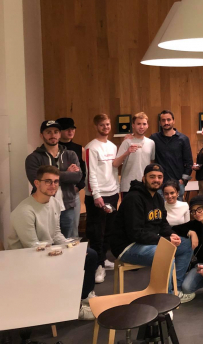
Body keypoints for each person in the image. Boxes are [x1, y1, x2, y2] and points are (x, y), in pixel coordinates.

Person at [7, 165, 99, 320]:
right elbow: (32, 247)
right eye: (48, 181)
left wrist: (72, 248)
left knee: (89, 255)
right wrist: (64, 254)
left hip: (45, 251)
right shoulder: (25, 211)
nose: (53, 185)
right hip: (24, 259)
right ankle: (72, 307)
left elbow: (56, 234)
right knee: (69, 265)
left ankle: (83, 297)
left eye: (56, 181)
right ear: (37, 183)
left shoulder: (54, 203)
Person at [110, 164, 192, 299]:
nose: (156, 180)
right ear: (144, 178)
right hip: (127, 246)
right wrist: (165, 240)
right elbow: (135, 233)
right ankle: (166, 298)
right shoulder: (134, 198)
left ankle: (175, 289)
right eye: (152, 177)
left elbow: (163, 223)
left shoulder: (158, 198)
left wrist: (171, 234)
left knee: (186, 245)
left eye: (159, 177)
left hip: (146, 242)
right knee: (165, 253)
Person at [25, 120, 82, 239]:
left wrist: (48, 177)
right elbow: (37, 182)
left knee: (66, 242)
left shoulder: (70, 155)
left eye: (56, 132)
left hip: (67, 207)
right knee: (45, 242)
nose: (53, 135)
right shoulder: (33, 158)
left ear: (60, 134)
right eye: (49, 132)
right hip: (43, 208)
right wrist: (67, 173)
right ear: (42, 135)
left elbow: (77, 177)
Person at [85, 114, 119, 283]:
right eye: (102, 125)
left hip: (112, 193)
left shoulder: (112, 146)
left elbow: (114, 170)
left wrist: (117, 189)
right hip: (97, 196)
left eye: (107, 124)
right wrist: (96, 195)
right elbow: (91, 173)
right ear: (96, 126)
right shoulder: (91, 147)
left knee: (109, 230)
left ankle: (103, 259)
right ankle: (97, 265)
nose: (106, 127)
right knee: (97, 232)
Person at [150, 110, 193, 201]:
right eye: (163, 120)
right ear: (160, 122)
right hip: (160, 184)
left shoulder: (183, 139)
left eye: (168, 120)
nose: (166, 122)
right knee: (160, 209)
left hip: (177, 184)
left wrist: (183, 181)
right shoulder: (154, 138)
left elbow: (189, 162)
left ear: (173, 121)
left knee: (177, 209)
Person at [114, 112, 156, 199]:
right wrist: (127, 152)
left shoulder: (151, 143)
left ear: (147, 125)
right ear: (133, 125)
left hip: (145, 185)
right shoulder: (126, 142)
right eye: (138, 124)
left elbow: (151, 163)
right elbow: (115, 163)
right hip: (128, 186)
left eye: (144, 124)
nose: (141, 127)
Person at [56, 116, 86, 234]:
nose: (70, 131)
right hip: (55, 192)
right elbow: (52, 173)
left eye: (72, 129)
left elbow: (83, 173)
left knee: (73, 229)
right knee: (56, 229)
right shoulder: (54, 148)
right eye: (67, 129)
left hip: (73, 192)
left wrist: (78, 187)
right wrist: (68, 173)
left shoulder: (79, 149)